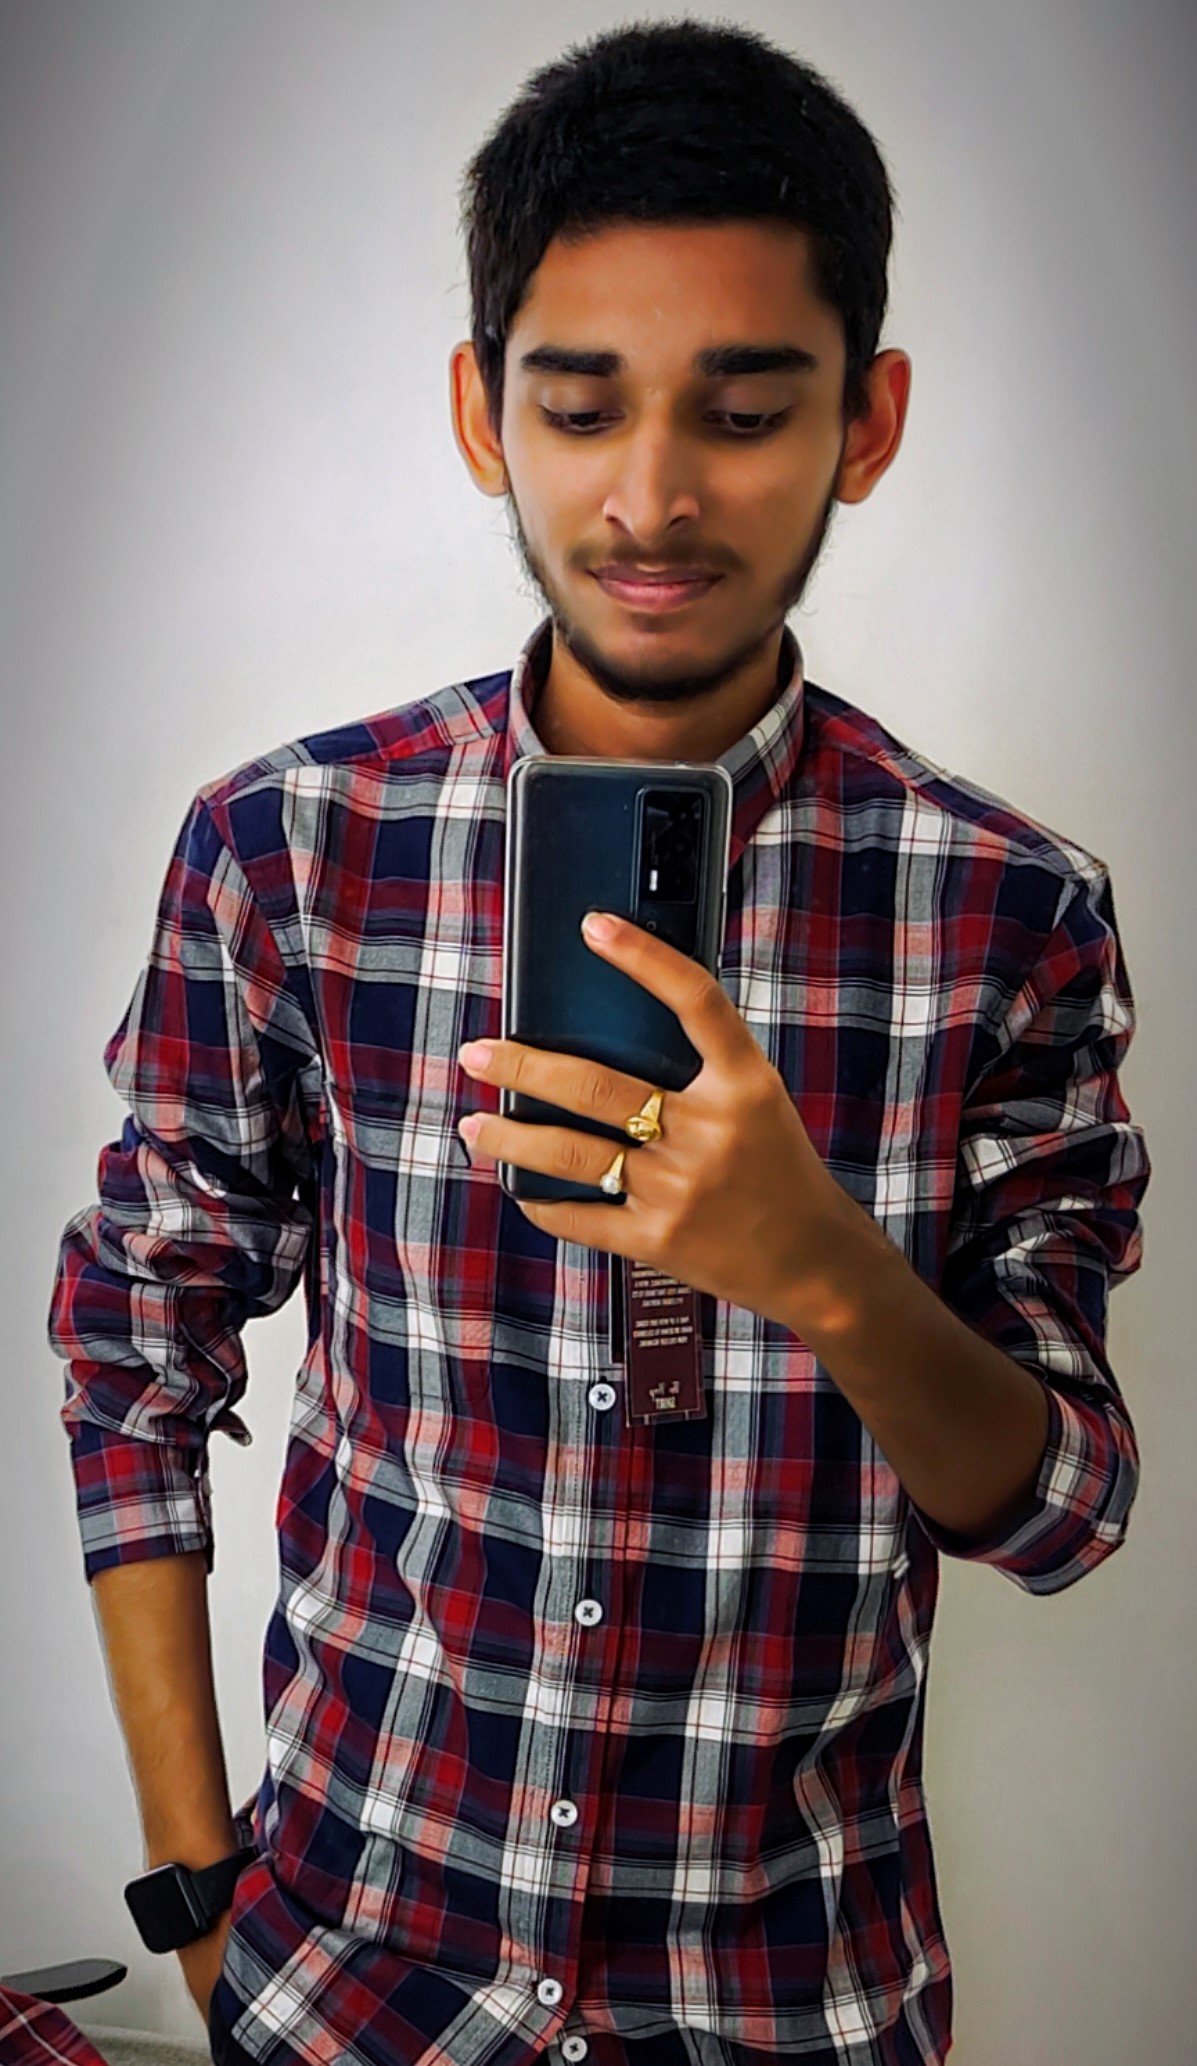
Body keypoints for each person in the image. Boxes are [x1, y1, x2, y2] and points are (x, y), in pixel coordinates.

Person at [47, 19, 1151, 2066]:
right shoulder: (292, 851)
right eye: (577, 407)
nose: (651, 497)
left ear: (865, 419)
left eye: (742, 409)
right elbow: (132, 1346)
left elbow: (1060, 1508)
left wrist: (819, 1262)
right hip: (352, 1982)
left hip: (789, 2003)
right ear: (483, 413)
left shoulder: (1007, 912)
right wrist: (196, 1893)